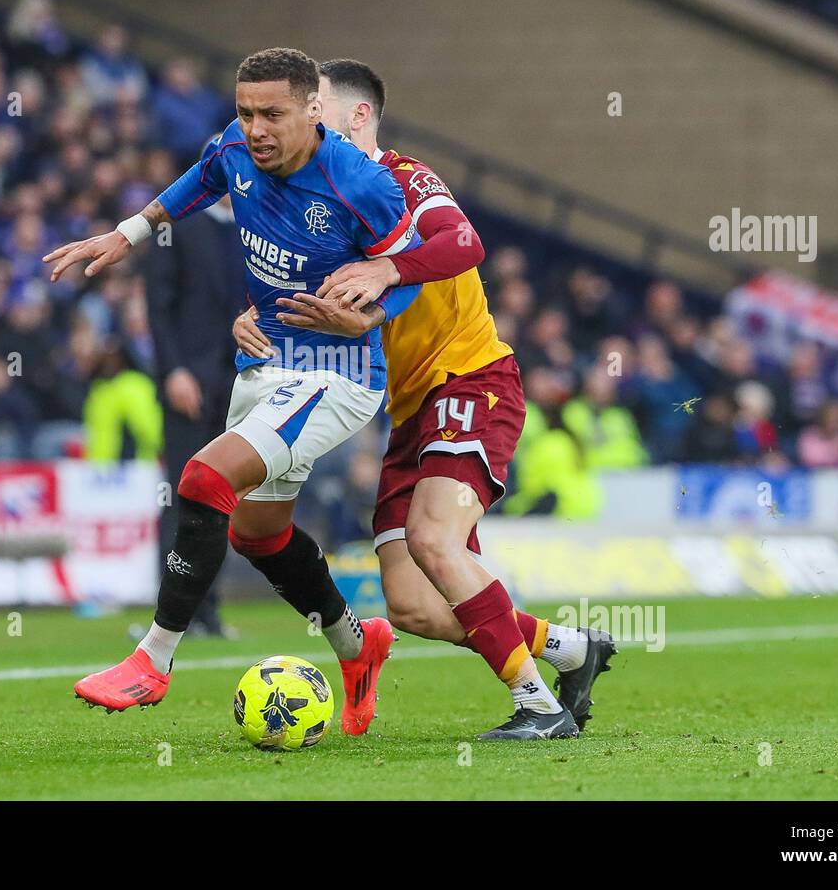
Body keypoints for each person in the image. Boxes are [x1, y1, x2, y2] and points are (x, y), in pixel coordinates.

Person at [234, 60, 615, 740]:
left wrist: (389, 266)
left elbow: (465, 242)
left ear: (356, 119)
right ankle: (572, 650)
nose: (299, 126)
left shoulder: (404, 180)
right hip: (410, 412)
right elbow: (298, 295)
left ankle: (540, 709)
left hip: (470, 380)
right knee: (410, 603)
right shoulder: (320, 204)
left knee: (432, 540)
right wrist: (253, 318)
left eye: (312, 110)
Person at [45, 48, 421, 732]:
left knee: (202, 479)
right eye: (246, 112)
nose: (256, 128)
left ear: (314, 108)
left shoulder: (360, 183)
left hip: (335, 373)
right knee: (258, 535)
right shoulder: (235, 146)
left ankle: (151, 660)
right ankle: (357, 645)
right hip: (264, 362)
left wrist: (368, 312)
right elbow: (199, 178)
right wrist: (128, 234)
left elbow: (412, 268)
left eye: (272, 113)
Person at [142, 190, 247, 636]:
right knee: (181, 494)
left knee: (221, 497)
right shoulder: (177, 229)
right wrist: (173, 370)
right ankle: (169, 614)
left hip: (239, 379)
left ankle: (210, 610)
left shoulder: (252, 229)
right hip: (190, 381)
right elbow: (158, 309)